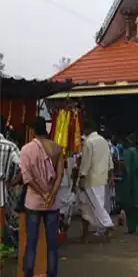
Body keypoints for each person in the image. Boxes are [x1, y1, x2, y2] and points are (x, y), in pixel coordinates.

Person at [19, 116, 64, 277]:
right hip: (52, 204)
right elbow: (60, 176)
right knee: (52, 244)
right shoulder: (57, 148)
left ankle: (28, 274)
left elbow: (27, 178)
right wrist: (51, 195)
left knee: (31, 242)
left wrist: (42, 193)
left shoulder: (26, 150)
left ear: (32, 130)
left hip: (33, 203)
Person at [78, 118, 115, 241]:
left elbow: (86, 161)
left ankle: (108, 224)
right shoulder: (103, 141)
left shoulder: (89, 142)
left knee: (95, 204)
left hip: (91, 178)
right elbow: (109, 158)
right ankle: (97, 230)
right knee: (95, 204)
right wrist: (110, 173)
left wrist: (82, 176)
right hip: (102, 176)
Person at [0, 115, 22, 250]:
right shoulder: (10, 146)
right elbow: (24, 167)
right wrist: (13, 182)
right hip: (2, 187)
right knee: (1, 218)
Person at [117, 134, 138, 234]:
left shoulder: (129, 153)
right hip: (137, 180)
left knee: (131, 205)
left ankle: (133, 227)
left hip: (130, 182)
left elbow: (127, 169)